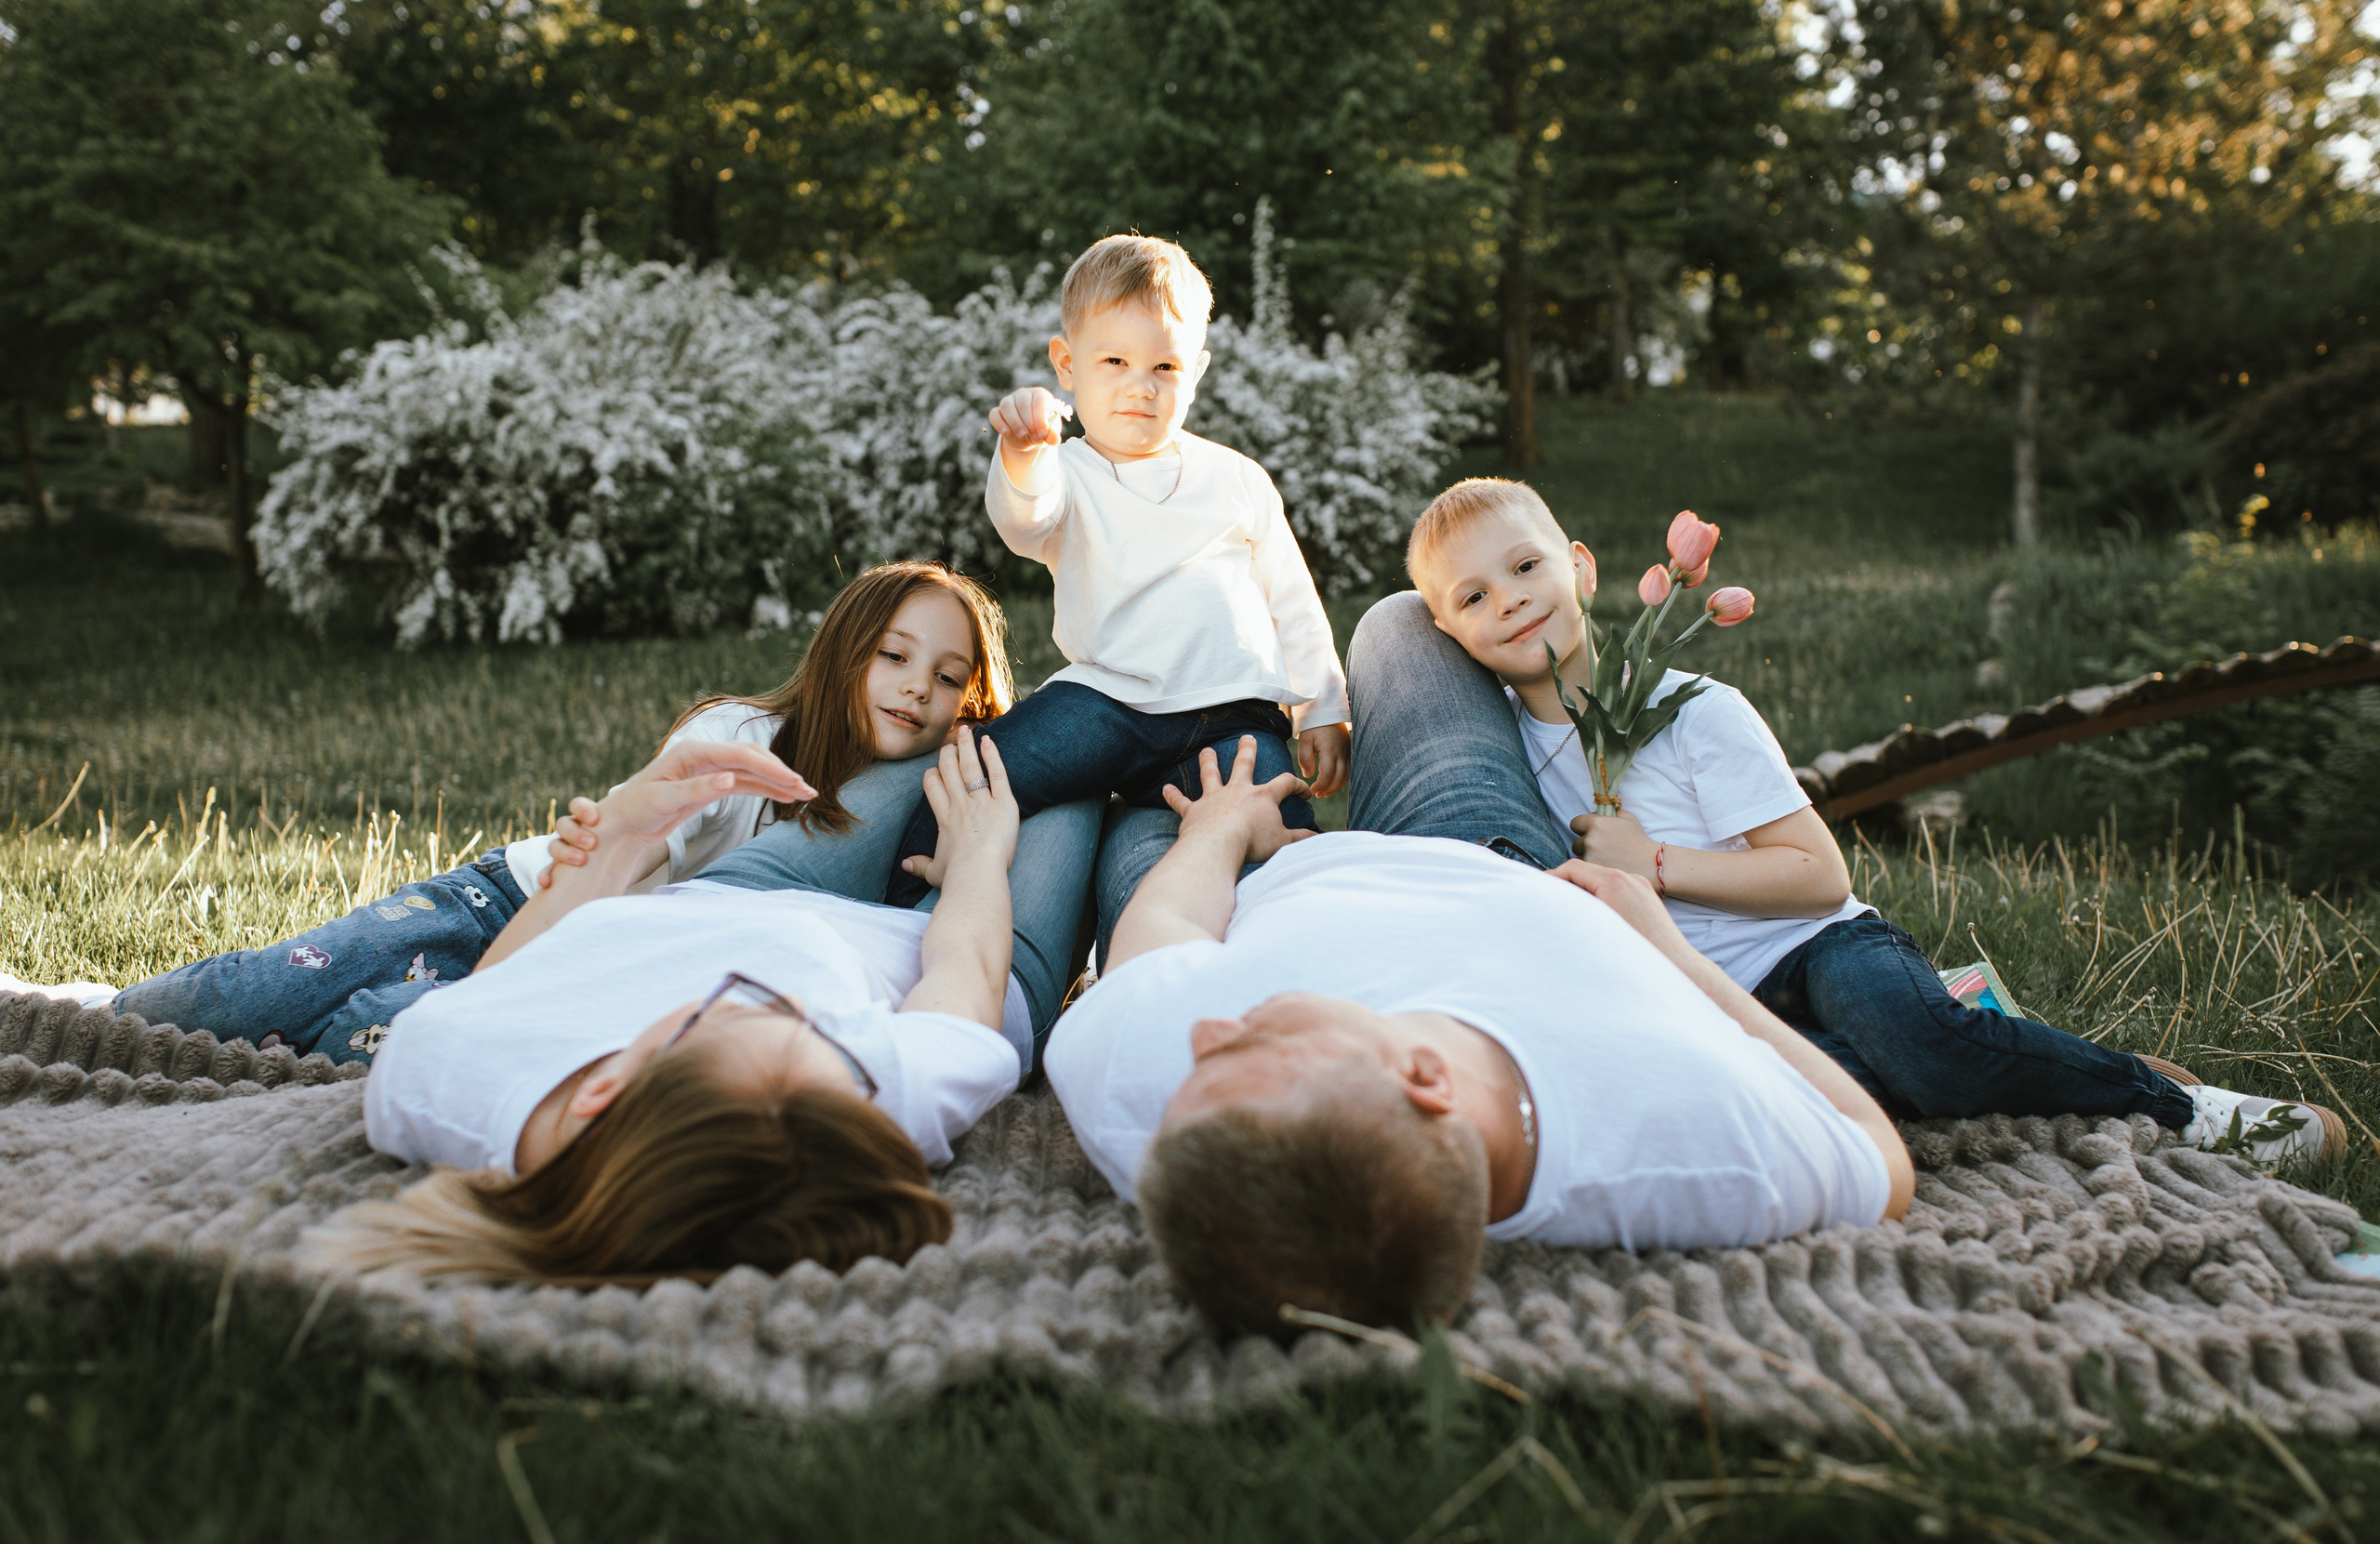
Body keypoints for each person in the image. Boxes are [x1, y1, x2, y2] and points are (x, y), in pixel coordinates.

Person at [1395, 475, 2345, 1167]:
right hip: (1720, 1000)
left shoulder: (1693, 709)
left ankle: (2187, 1107)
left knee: (1915, 1048)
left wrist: (1657, 862)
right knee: (1786, 1092)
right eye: (1472, 595)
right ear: (1445, 633)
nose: (1509, 597)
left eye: (1524, 566)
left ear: (1578, 566)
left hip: (1815, 945)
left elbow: (1816, 876)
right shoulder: (1500, 763)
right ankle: (1993, 1034)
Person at [1042, 739, 1915, 1337]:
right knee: (1399, 625)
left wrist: (1223, 830)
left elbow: (1158, 932)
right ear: (1423, 1076)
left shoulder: (1165, 1118)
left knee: (1143, 798)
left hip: (1230, 881)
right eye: (1250, 1042)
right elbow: (1884, 1160)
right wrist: (1673, 952)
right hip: (1489, 848)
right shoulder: (1694, 1144)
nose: (1208, 1027)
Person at [92, 561, 1012, 1064]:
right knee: (274, 984)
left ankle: (323, 1031)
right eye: (894, 656)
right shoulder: (746, 737)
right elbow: (639, 842)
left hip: (574, 972)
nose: (915, 689)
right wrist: (610, 833)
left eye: (945, 678)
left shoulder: (910, 804)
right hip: (509, 899)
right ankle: (98, 1021)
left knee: (369, 1030)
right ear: (845, 650)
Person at [303, 724, 1061, 1285]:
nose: (790, 997)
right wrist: (980, 856)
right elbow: (967, 969)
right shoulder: (850, 1113)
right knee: (1051, 768)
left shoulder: (430, 1080)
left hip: (729, 895)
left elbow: (514, 984)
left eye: (735, 1007)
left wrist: (623, 836)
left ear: (603, 1092)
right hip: (956, 935)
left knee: (941, 748)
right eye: (814, 1029)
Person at [886, 233, 1350, 906]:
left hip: (1232, 713)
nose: (1141, 386)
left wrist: (1322, 706)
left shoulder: (1236, 478)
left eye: (1165, 367)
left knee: (1278, 828)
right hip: (1106, 702)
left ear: (1197, 370)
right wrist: (1022, 452)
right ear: (1067, 364)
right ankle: (896, 902)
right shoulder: (1065, 469)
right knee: (976, 770)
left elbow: (1292, 599)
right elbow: (1024, 518)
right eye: (1114, 360)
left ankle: (1289, 950)